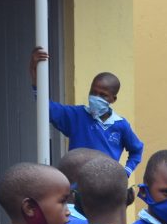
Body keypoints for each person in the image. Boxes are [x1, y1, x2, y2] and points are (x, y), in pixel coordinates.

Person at [28, 47, 144, 176]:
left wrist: (126, 172)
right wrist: (35, 74)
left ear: (113, 99)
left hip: (107, 184)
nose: (96, 98)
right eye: (93, 92)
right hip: (77, 184)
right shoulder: (76, 116)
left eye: (103, 95)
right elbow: (46, 107)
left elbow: (136, 150)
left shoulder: (120, 125)